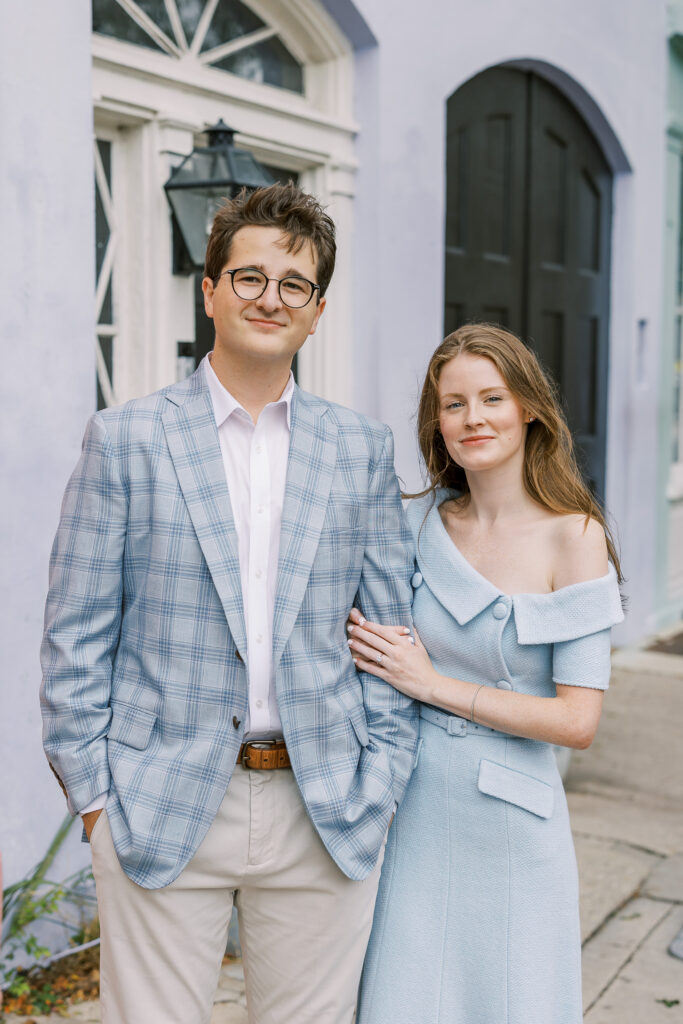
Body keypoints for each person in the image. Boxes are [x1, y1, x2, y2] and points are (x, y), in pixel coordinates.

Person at [40, 182, 419, 1024]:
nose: (270, 298)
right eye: (249, 277)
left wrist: (381, 780)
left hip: (324, 806)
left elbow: (389, 630)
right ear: (208, 291)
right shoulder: (127, 439)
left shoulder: (360, 450)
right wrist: (97, 802)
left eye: (295, 284)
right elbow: (75, 636)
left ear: (316, 312)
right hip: (157, 800)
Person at [351, 323, 624, 1024]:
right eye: (452, 404)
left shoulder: (576, 535)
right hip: (411, 815)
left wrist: (433, 685)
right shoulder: (414, 524)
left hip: (513, 828)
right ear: (435, 422)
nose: (472, 418)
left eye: (491, 398)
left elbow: (576, 721)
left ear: (528, 407)